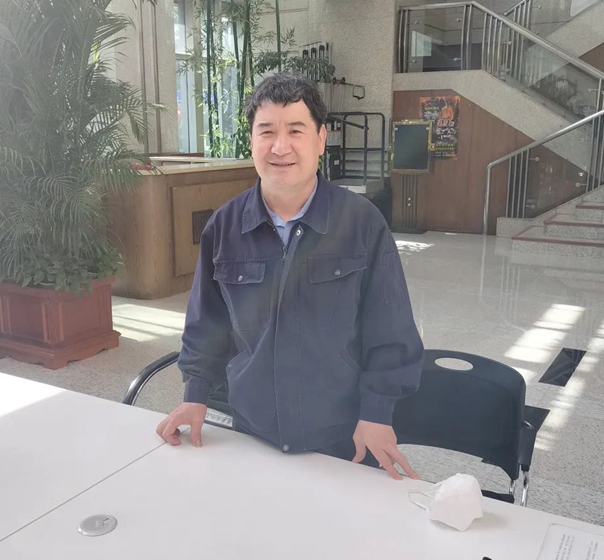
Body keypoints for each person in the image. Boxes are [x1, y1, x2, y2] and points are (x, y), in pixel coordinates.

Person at [156, 73, 424, 480]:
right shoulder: (224, 227)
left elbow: (391, 330)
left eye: (295, 131)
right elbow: (206, 324)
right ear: (251, 140)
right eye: (267, 131)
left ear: (321, 139)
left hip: (344, 437)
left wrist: (377, 412)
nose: (280, 147)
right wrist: (195, 395)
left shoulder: (361, 223)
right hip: (253, 432)